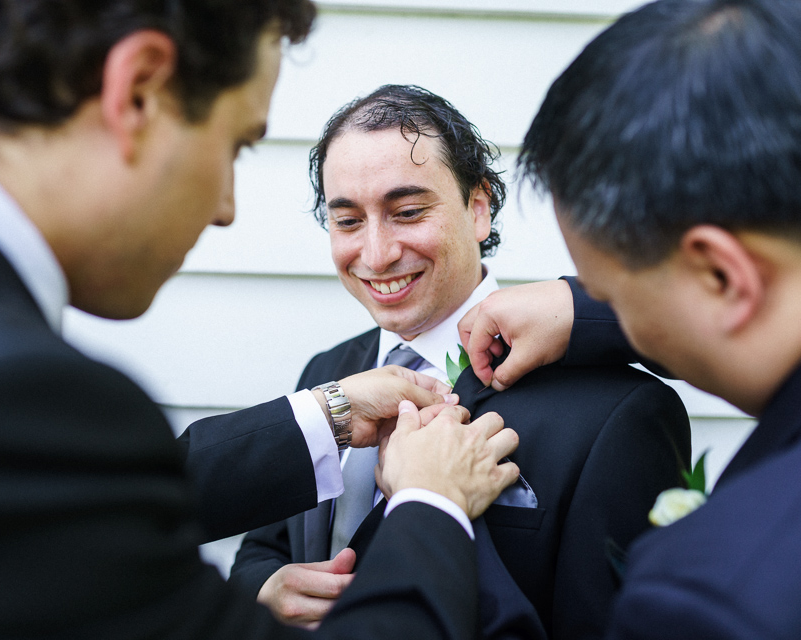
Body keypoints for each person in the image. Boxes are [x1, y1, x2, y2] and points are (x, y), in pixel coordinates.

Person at [0, 1, 526, 638]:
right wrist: (431, 504)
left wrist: (328, 413)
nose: (225, 206)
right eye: (236, 144)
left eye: (406, 211)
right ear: (137, 90)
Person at [229, 85, 690, 639]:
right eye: (348, 221)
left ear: (479, 207)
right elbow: (263, 546)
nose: (375, 255)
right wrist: (264, 589)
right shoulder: (326, 372)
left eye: (407, 212)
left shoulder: (617, 412)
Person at [455, 0, 801, 637]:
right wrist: (579, 307)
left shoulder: (717, 598)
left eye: (608, 290)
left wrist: (443, 516)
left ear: (722, 276)